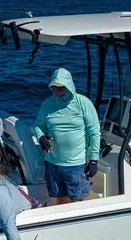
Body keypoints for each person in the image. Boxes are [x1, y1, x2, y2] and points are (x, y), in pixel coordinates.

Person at [32, 67, 101, 204]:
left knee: (77, 200)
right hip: (53, 162)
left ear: (69, 86)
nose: (57, 92)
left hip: (75, 164)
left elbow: (94, 132)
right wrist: (41, 137)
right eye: (54, 88)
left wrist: (93, 160)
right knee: (61, 199)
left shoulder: (83, 103)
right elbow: (38, 126)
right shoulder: (48, 104)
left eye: (61, 88)